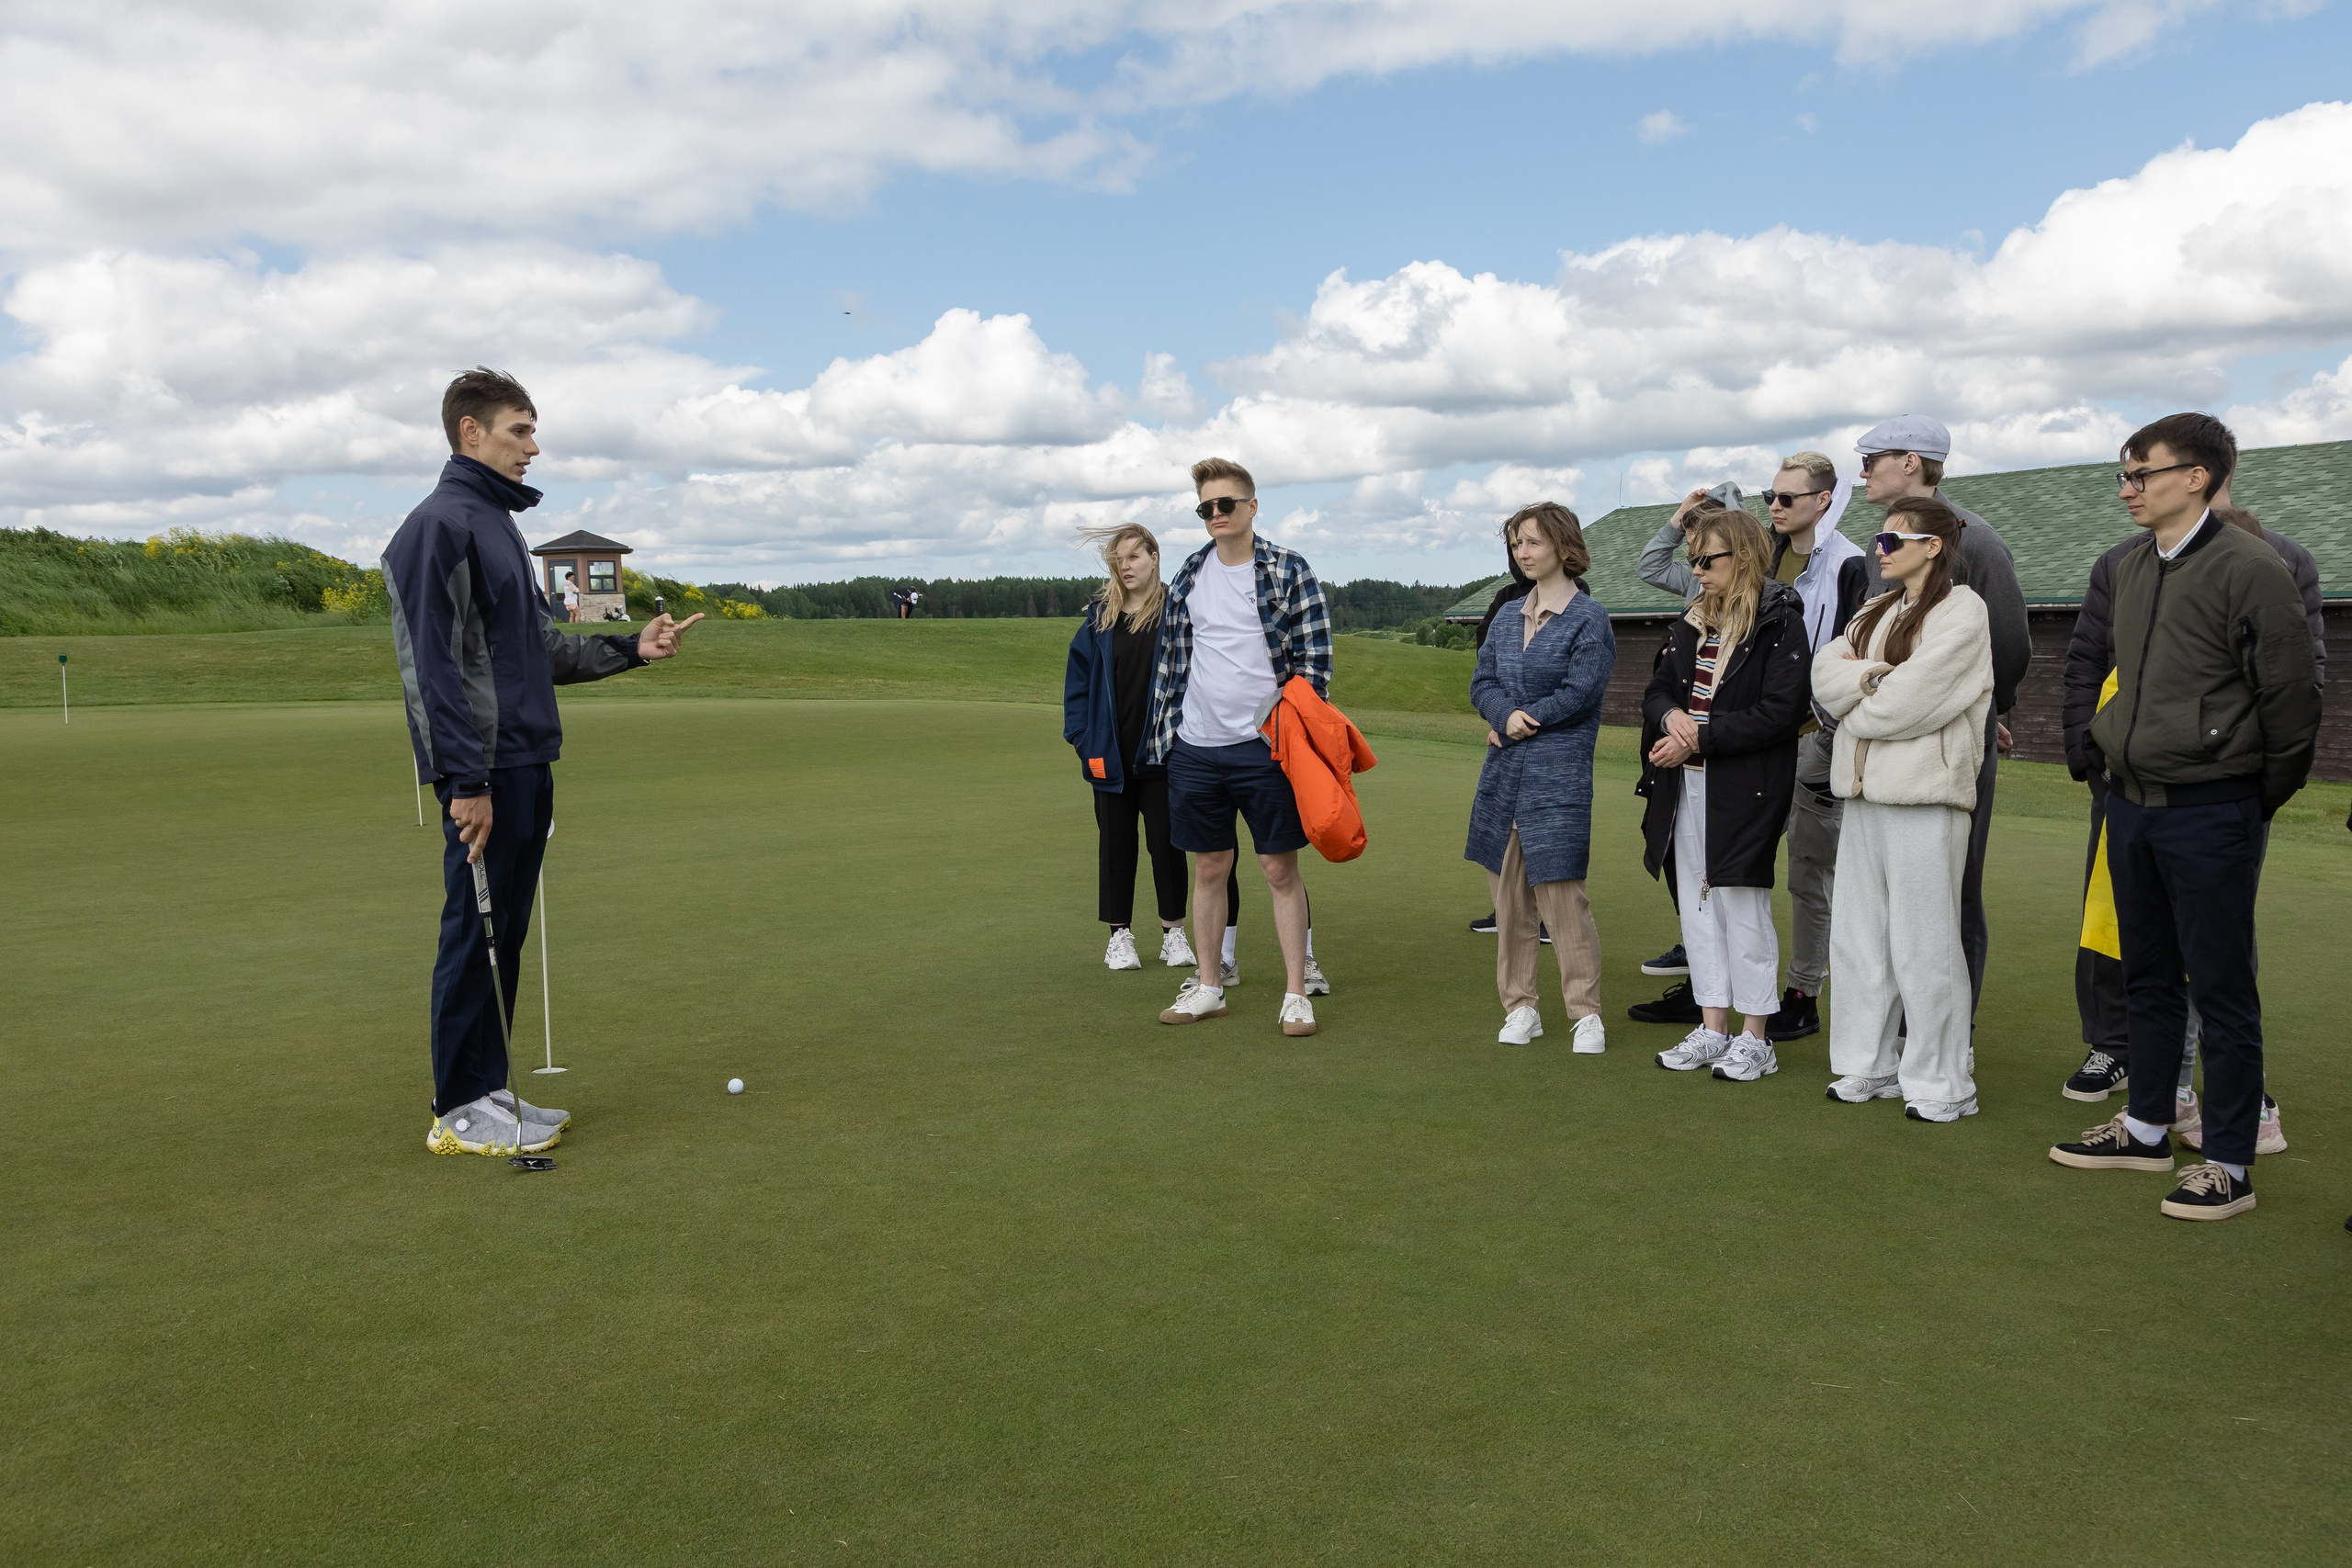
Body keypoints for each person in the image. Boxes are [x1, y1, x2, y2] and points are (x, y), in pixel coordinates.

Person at [384, 367, 702, 1157]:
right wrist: (464, 781)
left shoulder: (497, 524)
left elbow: (536, 650)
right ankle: (457, 1107)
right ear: (471, 432)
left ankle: (487, 1085)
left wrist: (631, 648)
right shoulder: (438, 526)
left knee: (506, 931)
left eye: (532, 431)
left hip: (527, 758)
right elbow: (432, 670)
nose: (533, 447)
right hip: (485, 767)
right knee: (475, 930)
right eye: (519, 431)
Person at [2048, 412, 2319, 1222]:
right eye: (2124, 476)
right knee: (2149, 977)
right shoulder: (2130, 565)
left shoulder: (2252, 566)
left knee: (2223, 989)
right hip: (2131, 805)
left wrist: (2252, 794)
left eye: (2142, 474)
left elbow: (2292, 696)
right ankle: (2145, 1128)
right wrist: (2103, 756)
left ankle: (2229, 1162)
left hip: (2214, 810)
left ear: (2196, 477)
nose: (2127, 490)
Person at [1810, 499, 1993, 1120]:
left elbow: (1911, 700)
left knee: (1926, 941)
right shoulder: (1874, 608)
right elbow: (1823, 674)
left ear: (1933, 545)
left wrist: (1859, 699)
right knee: (1859, 937)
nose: (1879, 551)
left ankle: (1944, 1081)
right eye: (1879, 540)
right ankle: (1869, 1063)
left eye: (1892, 541)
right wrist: (1871, 679)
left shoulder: (1963, 609)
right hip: (1862, 793)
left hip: (1926, 797)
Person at [1850, 417, 2030, 1015]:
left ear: (1911, 461)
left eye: (1872, 459)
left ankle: (1952, 1037)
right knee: (1891, 889)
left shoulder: (1975, 541)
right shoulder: (1881, 543)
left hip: (1952, 746)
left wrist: (1981, 707)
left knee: (1953, 888)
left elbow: (2010, 645)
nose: (1862, 472)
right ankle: (1899, 1027)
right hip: (1886, 744)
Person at [1148, 457, 1329, 1038]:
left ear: (1252, 507)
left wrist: (1293, 730)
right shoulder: (1190, 572)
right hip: (1196, 747)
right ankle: (1209, 986)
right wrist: (1168, 735)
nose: (1215, 514)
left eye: (1225, 504)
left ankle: (1296, 994)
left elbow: (1315, 662)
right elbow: (1174, 659)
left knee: (1278, 868)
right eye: (1205, 507)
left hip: (1266, 747)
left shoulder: (1288, 569)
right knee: (1209, 867)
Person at [1637, 507, 1811, 1081]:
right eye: (1693, 560)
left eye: (1707, 560)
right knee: (1698, 906)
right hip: (1683, 785)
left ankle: (1756, 1037)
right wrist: (1671, 719)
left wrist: (1698, 737)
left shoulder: (1780, 620)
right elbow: (1658, 690)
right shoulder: (1693, 619)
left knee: (1742, 907)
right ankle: (1713, 1028)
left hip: (1746, 787)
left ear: (1744, 556)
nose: (1697, 570)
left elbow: (1781, 712)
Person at [1465, 503, 1614, 1052]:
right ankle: (1521, 1007)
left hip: (1558, 777)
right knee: (1509, 902)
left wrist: (1525, 719)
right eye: (1516, 544)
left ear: (1562, 546)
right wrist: (1503, 714)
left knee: (1563, 898)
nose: (1522, 553)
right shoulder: (1507, 615)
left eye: (1531, 542)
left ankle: (1585, 1013)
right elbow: (1482, 681)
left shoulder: (1589, 617)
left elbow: (1582, 692)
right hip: (1504, 775)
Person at [1758, 453, 1868, 1044]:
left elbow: (1855, 656)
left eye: (1787, 498)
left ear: (1823, 500)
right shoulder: (1763, 557)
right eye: (1770, 497)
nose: (1775, 508)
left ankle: (1802, 996)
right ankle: (1728, 988)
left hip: (1814, 742)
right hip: (1755, 740)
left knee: (1808, 874)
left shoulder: (1851, 563)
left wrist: (1827, 731)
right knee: (1739, 866)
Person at [1064, 524, 1197, 974]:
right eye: (1118, 559)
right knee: (1116, 848)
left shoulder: (1177, 612)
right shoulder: (1099, 620)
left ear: (1154, 558)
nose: (1126, 566)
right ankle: (1118, 937)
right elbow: (1077, 685)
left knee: (1167, 847)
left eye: (1134, 556)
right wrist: (1083, 740)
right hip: (1110, 758)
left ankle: (1173, 933)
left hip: (1164, 756)